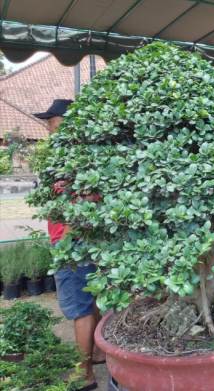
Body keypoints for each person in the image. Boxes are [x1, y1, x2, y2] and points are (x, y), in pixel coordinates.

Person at [35, 99, 104, 391]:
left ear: (66, 122)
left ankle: (84, 373)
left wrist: (68, 235)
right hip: (76, 241)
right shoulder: (72, 156)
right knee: (93, 300)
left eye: (52, 120)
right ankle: (99, 353)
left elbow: (92, 197)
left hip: (73, 245)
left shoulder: (74, 159)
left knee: (80, 308)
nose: (48, 125)